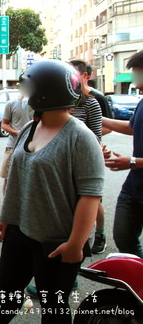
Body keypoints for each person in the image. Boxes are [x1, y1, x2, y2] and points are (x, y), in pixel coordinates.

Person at [0, 60, 104, 324]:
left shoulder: (80, 137)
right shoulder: (30, 128)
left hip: (56, 241)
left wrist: (75, 243)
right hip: (20, 231)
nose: (26, 95)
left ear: (45, 93)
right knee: (6, 295)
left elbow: (91, 195)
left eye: (30, 88)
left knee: (54, 307)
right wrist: (6, 217)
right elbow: (17, 178)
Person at [102, 50, 143, 258]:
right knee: (124, 237)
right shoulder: (142, 101)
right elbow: (131, 127)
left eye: (138, 73)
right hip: (134, 186)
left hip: (135, 172)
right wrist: (99, 119)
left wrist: (133, 161)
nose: (135, 80)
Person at [70, 59, 112, 254]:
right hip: (65, 162)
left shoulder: (93, 101)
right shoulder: (60, 101)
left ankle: (99, 233)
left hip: (86, 158)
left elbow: (98, 133)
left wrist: (93, 147)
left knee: (93, 199)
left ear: (86, 76)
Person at [0, 88, 33, 194]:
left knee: (29, 179)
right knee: (8, 177)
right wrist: (17, 132)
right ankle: (7, 204)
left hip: (31, 148)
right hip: (12, 146)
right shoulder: (11, 104)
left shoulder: (37, 106)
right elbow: (4, 124)